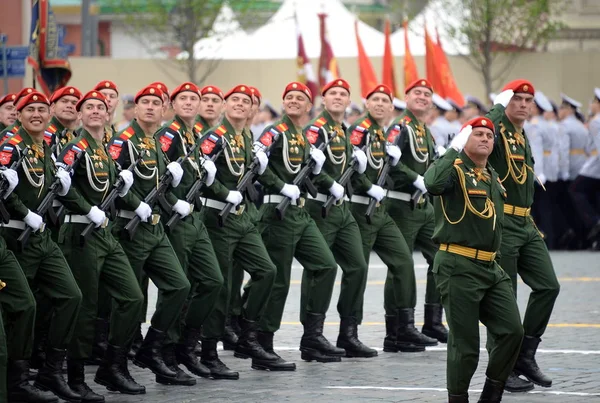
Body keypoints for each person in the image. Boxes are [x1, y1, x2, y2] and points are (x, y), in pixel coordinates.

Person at [424, 116, 524, 403]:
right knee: (465, 345)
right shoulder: (453, 171)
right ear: (464, 138)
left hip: (490, 266)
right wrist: (452, 150)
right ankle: (458, 398)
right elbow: (431, 183)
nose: (484, 139)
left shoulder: (491, 175)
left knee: (512, 331)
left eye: (489, 136)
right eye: (477, 134)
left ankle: (491, 394)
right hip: (459, 265)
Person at [56, 89, 146, 398]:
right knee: (87, 307)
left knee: (133, 297)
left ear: (108, 115)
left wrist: (136, 201)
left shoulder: (104, 148)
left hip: (105, 233)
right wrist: (85, 208)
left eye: (100, 107)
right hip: (81, 235)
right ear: (79, 115)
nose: (96, 111)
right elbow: (61, 186)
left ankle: (113, 366)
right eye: (88, 107)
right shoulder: (75, 147)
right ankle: (76, 375)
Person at [108, 84, 199, 386]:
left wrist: (175, 202)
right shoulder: (124, 141)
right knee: (130, 302)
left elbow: (157, 190)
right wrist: (136, 204)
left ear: (164, 110)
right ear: (134, 109)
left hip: (156, 228)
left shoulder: (154, 143)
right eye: (143, 102)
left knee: (179, 286)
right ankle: (115, 364)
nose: (149, 107)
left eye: (155, 103)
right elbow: (112, 186)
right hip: (129, 229)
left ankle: (152, 349)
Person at [246, 81, 341, 368]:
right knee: (279, 281)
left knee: (325, 265)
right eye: (289, 97)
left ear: (309, 105)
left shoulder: (302, 135)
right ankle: (262, 343)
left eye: (300, 98)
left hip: (300, 213)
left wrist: (331, 183)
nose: (294, 101)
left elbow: (309, 172)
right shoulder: (275, 131)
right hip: (277, 211)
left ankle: (312, 336)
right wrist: (279, 184)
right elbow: (256, 163)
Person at [0, 91, 83, 402]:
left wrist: (85, 207)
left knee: (71, 296)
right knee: (21, 307)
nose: (36, 114)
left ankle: (51, 369)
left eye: (41, 109)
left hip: (41, 237)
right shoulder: (10, 144)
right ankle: (17, 379)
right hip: (14, 236)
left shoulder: (43, 146)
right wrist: (24, 214)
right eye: (29, 109)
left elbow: (50, 189)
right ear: (19, 114)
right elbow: (4, 186)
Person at [486, 80, 560, 392]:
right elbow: (485, 124)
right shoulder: (498, 127)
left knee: (548, 286)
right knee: (505, 298)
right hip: (503, 224)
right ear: (506, 102)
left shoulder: (521, 133)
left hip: (526, 223)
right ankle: (501, 369)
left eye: (528, 100)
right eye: (517, 99)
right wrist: (498, 106)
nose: (524, 105)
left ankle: (525, 356)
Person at [199, 84, 277, 376]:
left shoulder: (246, 137)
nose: (240, 104)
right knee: (220, 285)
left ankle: (247, 334)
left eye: (246, 101)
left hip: (242, 217)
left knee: (266, 271)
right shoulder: (213, 136)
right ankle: (208, 351)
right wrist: (222, 192)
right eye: (234, 100)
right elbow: (201, 172)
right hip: (217, 217)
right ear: (224, 105)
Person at [152, 82, 226, 381]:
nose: (189, 103)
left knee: (213, 281)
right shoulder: (167, 135)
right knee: (176, 288)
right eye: (182, 98)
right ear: (172, 103)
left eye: (193, 99)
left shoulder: (193, 135)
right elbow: (154, 180)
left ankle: (186, 344)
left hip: (195, 218)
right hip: (176, 220)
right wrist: (172, 204)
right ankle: (165, 352)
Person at [346, 84, 425, 354]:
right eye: (375, 99)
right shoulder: (359, 129)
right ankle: (349, 333)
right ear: (366, 103)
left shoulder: (380, 133)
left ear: (392, 107)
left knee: (403, 261)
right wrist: (368, 186)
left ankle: (400, 330)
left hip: (379, 211)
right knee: (359, 271)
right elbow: (348, 166)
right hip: (360, 208)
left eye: (385, 100)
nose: (380, 104)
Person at [301, 79, 372, 360]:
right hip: (321, 208)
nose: (338, 98)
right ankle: (312, 335)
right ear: (324, 98)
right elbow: (306, 167)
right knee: (320, 270)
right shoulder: (315, 129)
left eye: (343, 93)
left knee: (358, 266)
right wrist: (330, 183)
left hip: (342, 210)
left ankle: (349, 332)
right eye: (333, 93)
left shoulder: (343, 130)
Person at [385, 78, 447, 348]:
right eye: (417, 93)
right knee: (400, 267)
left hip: (424, 207)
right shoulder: (400, 127)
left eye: (426, 93)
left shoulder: (425, 130)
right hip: (401, 205)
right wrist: (414, 178)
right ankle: (397, 328)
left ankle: (433, 321)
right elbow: (389, 161)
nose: (422, 97)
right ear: (406, 97)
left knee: (441, 259)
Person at [558, 93, 591, 248]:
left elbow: (564, 151)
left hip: (570, 167)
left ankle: (578, 236)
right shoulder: (580, 124)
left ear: (568, 109)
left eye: (562, 107)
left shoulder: (565, 126)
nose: (559, 110)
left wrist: (563, 172)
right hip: (583, 166)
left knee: (569, 205)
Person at [570, 88, 600, 245]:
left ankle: (594, 221)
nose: (591, 105)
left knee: (576, 189)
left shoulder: (596, 121)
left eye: (594, 102)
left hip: (595, 165)